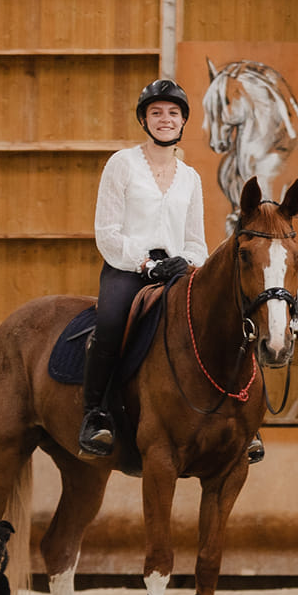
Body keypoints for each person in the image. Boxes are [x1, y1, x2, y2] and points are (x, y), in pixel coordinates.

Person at [80, 77, 211, 458]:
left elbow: (196, 242)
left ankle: (235, 420)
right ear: (144, 121)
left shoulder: (191, 178)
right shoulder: (121, 164)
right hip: (126, 268)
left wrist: (183, 263)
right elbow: (106, 232)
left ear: (183, 121)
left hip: (175, 272)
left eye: (173, 113)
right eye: (156, 113)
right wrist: (145, 263)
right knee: (109, 326)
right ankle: (95, 415)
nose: (165, 119)